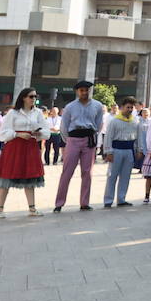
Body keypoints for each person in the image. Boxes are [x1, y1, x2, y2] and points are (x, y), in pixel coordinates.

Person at [0, 88, 48, 218]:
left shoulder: (38, 113)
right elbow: (3, 133)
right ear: (23, 97)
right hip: (14, 147)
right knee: (7, 176)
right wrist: (17, 134)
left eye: (35, 96)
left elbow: (46, 130)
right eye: (31, 96)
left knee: (30, 176)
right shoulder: (13, 113)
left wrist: (39, 133)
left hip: (30, 146)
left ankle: (32, 209)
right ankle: (0, 210)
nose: (34, 99)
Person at [54, 81, 105, 212]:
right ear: (77, 92)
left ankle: (84, 202)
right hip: (73, 139)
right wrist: (68, 141)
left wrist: (93, 136)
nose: (84, 92)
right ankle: (59, 203)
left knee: (87, 172)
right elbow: (64, 126)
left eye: (86, 90)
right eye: (82, 90)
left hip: (89, 139)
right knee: (67, 171)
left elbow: (99, 124)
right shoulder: (70, 107)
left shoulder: (97, 106)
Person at [102, 97, 145, 208]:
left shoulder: (135, 121)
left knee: (125, 176)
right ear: (122, 108)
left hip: (129, 150)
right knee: (112, 176)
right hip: (116, 150)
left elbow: (139, 137)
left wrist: (140, 149)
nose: (130, 109)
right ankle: (108, 200)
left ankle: (121, 199)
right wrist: (108, 152)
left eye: (131, 107)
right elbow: (108, 137)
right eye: (128, 107)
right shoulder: (114, 121)